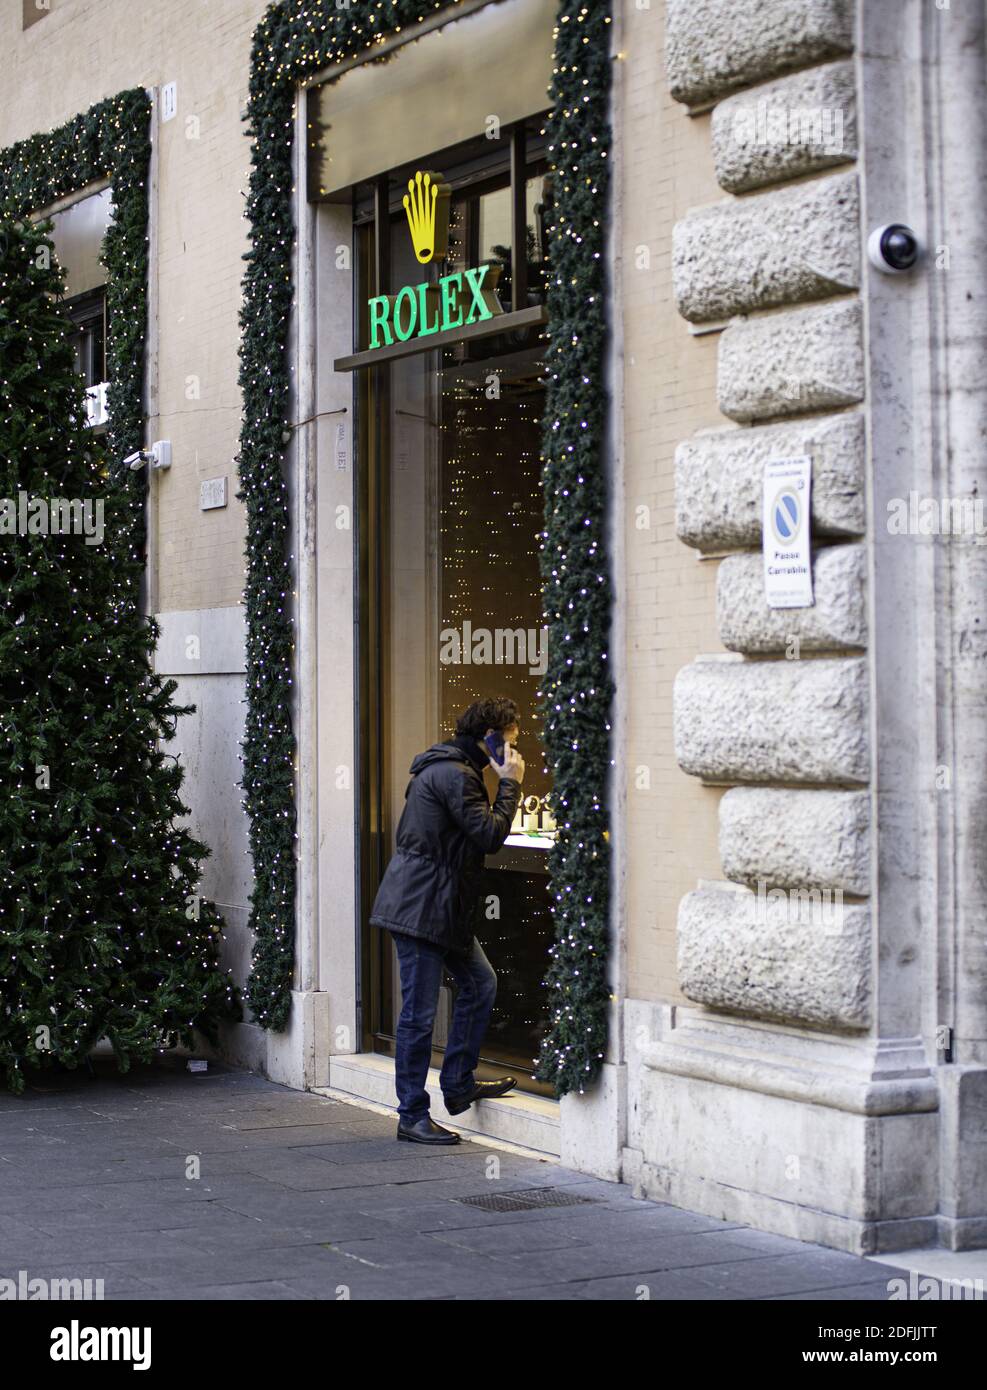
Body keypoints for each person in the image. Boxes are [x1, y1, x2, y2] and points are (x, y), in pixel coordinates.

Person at [369, 696, 526, 1144]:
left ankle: (457, 1084)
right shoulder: (456, 775)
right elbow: (490, 835)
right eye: (509, 743)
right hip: (422, 908)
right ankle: (412, 1115)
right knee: (418, 1015)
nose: (514, 753)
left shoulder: (452, 768)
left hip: (440, 908)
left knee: (481, 984)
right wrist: (510, 783)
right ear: (489, 739)